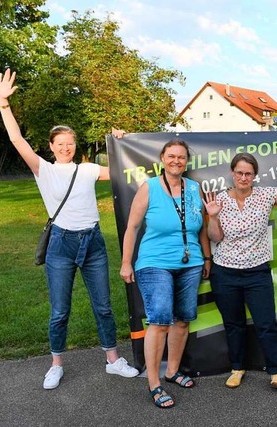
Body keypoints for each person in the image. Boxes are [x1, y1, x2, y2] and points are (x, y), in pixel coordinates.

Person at [0, 69, 139, 389]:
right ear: (51, 146)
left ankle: (113, 360)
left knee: (103, 305)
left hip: (93, 243)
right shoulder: (42, 169)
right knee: (60, 310)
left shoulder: (87, 169)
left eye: (70, 143)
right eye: (60, 143)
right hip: (61, 244)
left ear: (75, 145)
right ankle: (56, 363)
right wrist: (3, 104)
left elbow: (126, 168)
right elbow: (17, 140)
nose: (66, 147)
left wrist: (123, 143)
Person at [204, 149, 277, 390]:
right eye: (239, 173)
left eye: (248, 174)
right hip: (225, 272)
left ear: (254, 176)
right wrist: (214, 218)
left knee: (265, 323)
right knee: (233, 324)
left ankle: (275, 371)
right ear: (232, 173)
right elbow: (215, 237)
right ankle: (237, 368)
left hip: (256, 272)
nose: (243, 177)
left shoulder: (266, 195)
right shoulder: (218, 200)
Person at [120, 138, 212, 408]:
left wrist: (206, 257)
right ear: (162, 158)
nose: (176, 161)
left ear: (187, 161)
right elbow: (132, 227)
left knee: (183, 319)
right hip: (154, 262)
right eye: (171, 156)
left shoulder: (194, 188)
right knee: (160, 320)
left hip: (191, 262)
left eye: (181, 157)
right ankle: (154, 383)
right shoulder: (148, 188)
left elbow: (202, 228)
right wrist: (127, 262)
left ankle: (172, 371)